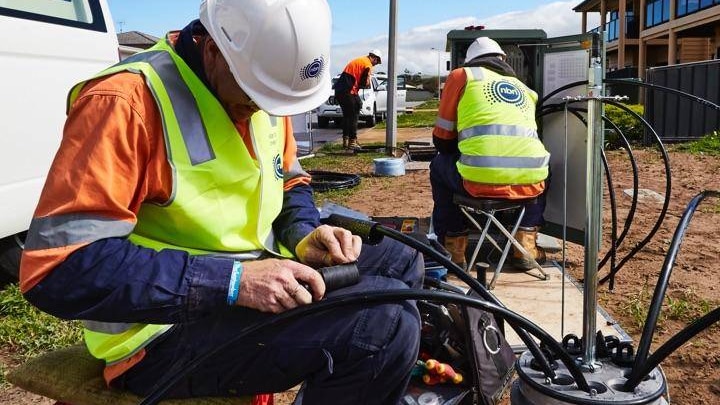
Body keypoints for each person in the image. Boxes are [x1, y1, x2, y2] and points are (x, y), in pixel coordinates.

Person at [18, 1, 423, 404]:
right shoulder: (126, 102)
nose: (261, 110)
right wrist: (233, 283)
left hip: (252, 275)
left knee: (403, 260)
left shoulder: (260, 85)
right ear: (212, 49)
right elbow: (58, 268)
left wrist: (302, 234)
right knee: (381, 328)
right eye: (254, 97)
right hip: (160, 331)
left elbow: (290, 182)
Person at [429, 37, 550, 270]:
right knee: (543, 171)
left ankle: (453, 247)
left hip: (476, 181)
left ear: (471, 61)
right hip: (529, 184)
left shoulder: (462, 75)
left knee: (439, 166)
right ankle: (525, 246)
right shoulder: (526, 89)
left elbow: (442, 139)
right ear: (503, 60)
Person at [333, 49, 382, 150]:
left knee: (348, 115)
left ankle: (346, 141)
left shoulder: (360, 60)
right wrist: (366, 82)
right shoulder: (367, 65)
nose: (375, 64)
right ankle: (352, 142)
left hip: (340, 91)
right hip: (348, 91)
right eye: (376, 61)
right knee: (353, 114)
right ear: (373, 58)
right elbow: (366, 82)